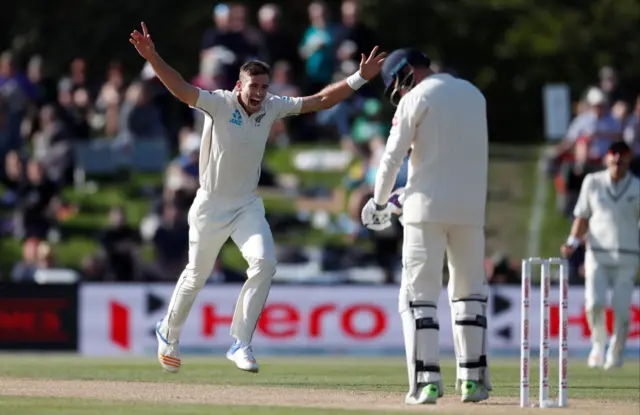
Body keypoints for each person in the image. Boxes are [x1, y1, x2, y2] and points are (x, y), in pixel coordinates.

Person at [129, 22, 386, 374]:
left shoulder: (274, 106)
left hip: (246, 205)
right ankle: (168, 331)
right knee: (196, 275)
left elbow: (321, 100)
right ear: (239, 85)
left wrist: (358, 78)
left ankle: (240, 342)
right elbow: (181, 89)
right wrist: (153, 56)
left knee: (265, 264)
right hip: (210, 205)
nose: (260, 93)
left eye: (265, 87)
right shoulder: (219, 103)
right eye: (254, 86)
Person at [360, 48, 491, 404]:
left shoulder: (416, 97)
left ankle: (426, 382)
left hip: (424, 211)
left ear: (405, 73)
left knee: (419, 298)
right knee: (469, 295)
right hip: (470, 212)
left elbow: (391, 157)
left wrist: (380, 200)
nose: (398, 95)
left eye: (396, 87)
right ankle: (473, 382)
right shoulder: (474, 94)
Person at [560, 140, 640, 370]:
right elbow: (582, 217)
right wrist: (572, 242)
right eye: (613, 155)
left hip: (627, 255)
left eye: (622, 156)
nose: (617, 160)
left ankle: (616, 352)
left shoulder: (637, 186)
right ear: (607, 158)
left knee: (622, 309)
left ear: (628, 159)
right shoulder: (593, 182)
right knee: (594, 303)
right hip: (597, 254)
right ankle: (597, 346)